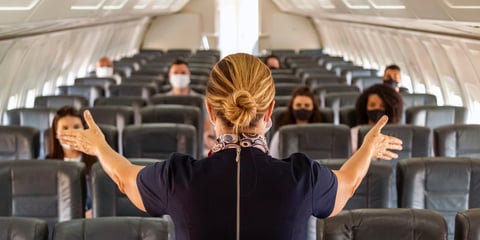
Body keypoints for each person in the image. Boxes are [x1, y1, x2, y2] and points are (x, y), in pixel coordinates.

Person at [59, 53, 402, 240]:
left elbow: (123, 178)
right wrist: (368, 147)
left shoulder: (178, 177)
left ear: (209, 111)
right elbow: (348, 182)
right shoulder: (302, 178)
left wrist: (101, 146)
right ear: (270, 111)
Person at [46, 106, 97, 217]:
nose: (71, 132)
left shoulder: (98, 164)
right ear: (56, 134)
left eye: (76, 127)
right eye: (65, 128)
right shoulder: (46, 165)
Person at [166, 58, 215, 156]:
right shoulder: (162, 101)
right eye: (175, 73)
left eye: (183, 73)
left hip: (196, 146)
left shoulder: (201, 100)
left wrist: (208, 137)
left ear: (189, 75)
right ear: (170, 76)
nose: (179, 76)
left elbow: (207, 127)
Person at [269, 86, 322, 158]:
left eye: (307, 105)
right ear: (292, 108)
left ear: (313, 108)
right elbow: (273, 158)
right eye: (298, 105)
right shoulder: (281, 134)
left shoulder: (321, 133)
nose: (302, 108)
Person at [351, 84, 403, 152]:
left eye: (382, 106)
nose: (377, 109)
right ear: (364, 108)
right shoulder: (354, 133)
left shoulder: (400, 133)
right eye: (372, 105)